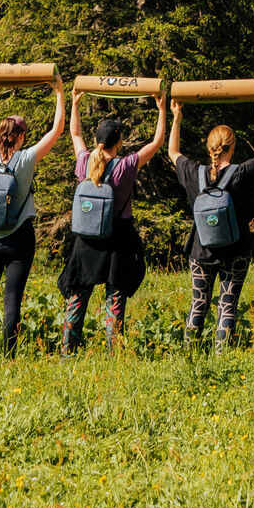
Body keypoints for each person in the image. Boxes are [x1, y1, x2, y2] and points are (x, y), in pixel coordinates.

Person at [0, 73, 65, 355]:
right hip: (19, 239)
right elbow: (57, 130)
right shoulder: (27, 159)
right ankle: (9, 355)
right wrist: (59, 93)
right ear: (20, 136)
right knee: (12, 300)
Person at [169, 92, 254, 349]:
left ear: (210, 149)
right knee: (227, 306)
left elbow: (173, 151)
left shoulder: (194, 174)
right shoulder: (241, 173)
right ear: (233, 147)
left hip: (200, 251)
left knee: (198, 303)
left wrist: (177, 116)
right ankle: (222, 358)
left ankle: (189, 355)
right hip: (236, 250)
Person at [59, 89, 166, 353]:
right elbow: (156, 144)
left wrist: (75, 103)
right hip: (118, 239)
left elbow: (74, 134)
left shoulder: (85, 161)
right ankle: (113, 351)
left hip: (86, 241)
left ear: (97, 141)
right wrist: (163, 110)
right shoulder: (125, 166)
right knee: (114, 297)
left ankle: (67, 348)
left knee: (78, 295)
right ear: (118, 142)